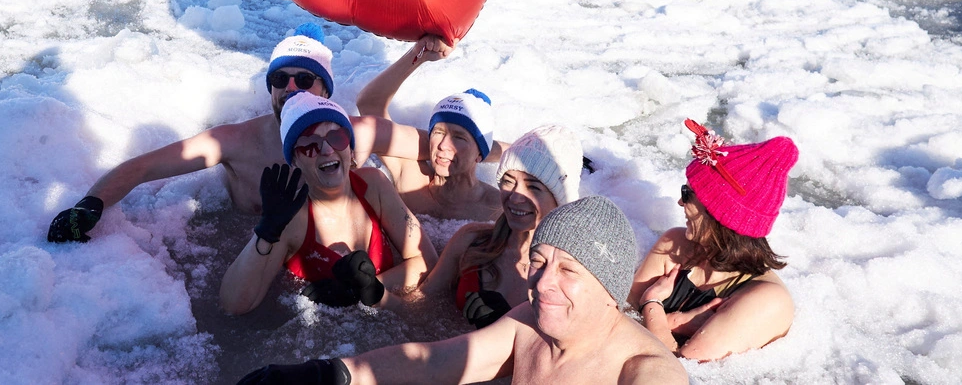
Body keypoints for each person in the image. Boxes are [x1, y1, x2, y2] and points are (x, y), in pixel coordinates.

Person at [237, 195, 687, 385]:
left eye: (569, 270)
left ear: (610, 290)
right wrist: (331, 374)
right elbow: (435, 363)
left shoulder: (645, 372)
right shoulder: (527, 324)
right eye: (538, 261)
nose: (543, 282)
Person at [46, 23, 422, 243]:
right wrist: (90, 205)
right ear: (270, 88)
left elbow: (438, 147)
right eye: (280, 79)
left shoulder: (355, 135)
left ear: (325, 90)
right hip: (250, 252)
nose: (291, 88)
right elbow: (144, 168)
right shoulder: (234, 142)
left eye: (305, 80)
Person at [219, 92, 437, 315]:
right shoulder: (292, 218)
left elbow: (426, 261)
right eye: (310, 144)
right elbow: (234, 306)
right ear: (295, 159)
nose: (327, 150)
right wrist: (265, 232)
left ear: (350, 149)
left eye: (337, 138)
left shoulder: (373, 186)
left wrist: (363, 289)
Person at [629, 119, 799, 361]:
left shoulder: (766, 300)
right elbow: (620, 319)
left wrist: (652, 304)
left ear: (720, 212)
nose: (680, 203)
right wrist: (672, 324)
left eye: (687, 194)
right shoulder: (675, 245)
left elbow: (681, 371)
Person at [421, 124, 584, 329]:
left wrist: (504, 324)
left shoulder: (573, 274)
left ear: (560, 199)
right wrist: (376, 294)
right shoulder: (471, 241)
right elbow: (419, 307)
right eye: (508, 181)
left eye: (533, 187)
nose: (515, 196)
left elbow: (569, 354)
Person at [354, 35, 506, 220]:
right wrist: (419, 54)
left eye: (459, 137)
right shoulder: (411, 178)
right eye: (438, 132)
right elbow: (369, 104)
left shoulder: (497, 207)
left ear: (481, 154)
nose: (443, 145)